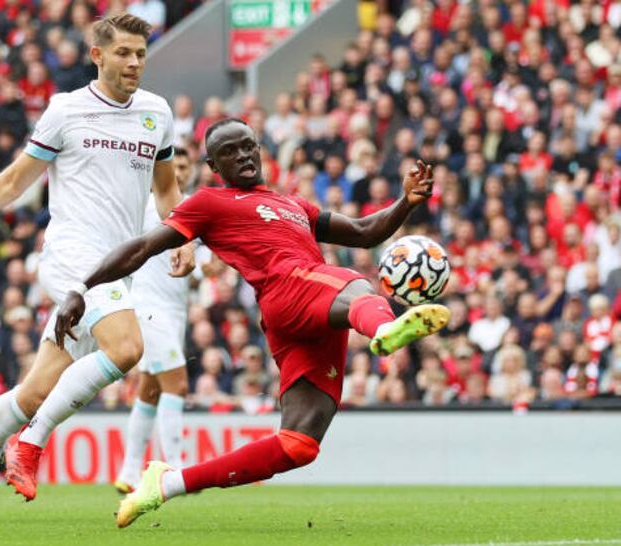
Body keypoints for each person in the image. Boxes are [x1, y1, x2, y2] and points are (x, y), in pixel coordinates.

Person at [50, 118, 450, 527]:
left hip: (311, 314)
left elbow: (366, 232)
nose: (242, 155)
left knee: (299, 444)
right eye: (229, 151)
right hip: (288, 291)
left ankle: (167, 483)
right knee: (357, 284)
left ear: (259, 150)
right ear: (213, 166)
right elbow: (144, 247)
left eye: (248, 146)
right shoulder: (209, 203)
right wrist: (82, 287)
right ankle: (384, 329)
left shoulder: (294, 205)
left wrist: (406, 201)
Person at [0, 14, 193, 522]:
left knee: (35, 392)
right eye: (124, 53)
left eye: (141, 54)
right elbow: (15, 183)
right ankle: (30, 444)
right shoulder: (66, 110)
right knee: (127, 348)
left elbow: (166, 189)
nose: (134, 63)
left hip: (116, 268)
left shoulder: (157, 112)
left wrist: (183, 235)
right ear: (97, 55)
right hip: (73, 259)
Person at [114, 147, 194, 493]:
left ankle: (130, 471)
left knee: (149, 391)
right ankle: (172, 468)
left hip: (176, 308)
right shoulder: (146, 206)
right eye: (173, 166)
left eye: (184, 166)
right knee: (177, 384)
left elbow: (197, 258)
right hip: (148, 305)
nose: (178, 172)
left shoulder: (193, 207)